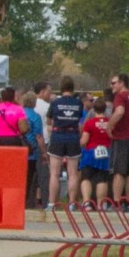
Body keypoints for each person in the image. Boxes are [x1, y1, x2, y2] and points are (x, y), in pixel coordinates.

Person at [45, 76, 85, 207]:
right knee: (72, 173)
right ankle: (72, 203)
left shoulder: (55, 103)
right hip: (73, 136)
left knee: (54, 173)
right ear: (72, 88)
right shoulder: (78, 103)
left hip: (57, 136)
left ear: (61, 87)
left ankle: (51, 203)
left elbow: (49, 121)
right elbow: (79, 120)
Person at [105, 73, 129, 205]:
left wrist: (109, 126)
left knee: (119, 171)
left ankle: (116, 201)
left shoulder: (120, 96)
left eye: (113, 83)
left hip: (121, 138)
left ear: (121, 83)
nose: (111, 86)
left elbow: (119, 112)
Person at [78, 98, 112, 204]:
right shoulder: (110, 123)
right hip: (106, 152)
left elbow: (84, 141)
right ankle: (101, 204)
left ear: (93, 109)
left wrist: (78, 143)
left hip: (91, 153)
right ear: (105, 109)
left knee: (86, 177)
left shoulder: (89, 123)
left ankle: (87, 202)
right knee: (102, 178)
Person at [19, 92, 47, 208]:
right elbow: (39, 137)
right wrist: (44, 152)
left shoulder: (19, 114)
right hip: (31, 151)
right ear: (34, 102)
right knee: (30, 179)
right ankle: (27, 202)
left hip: (18, 150)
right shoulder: (35, 116)